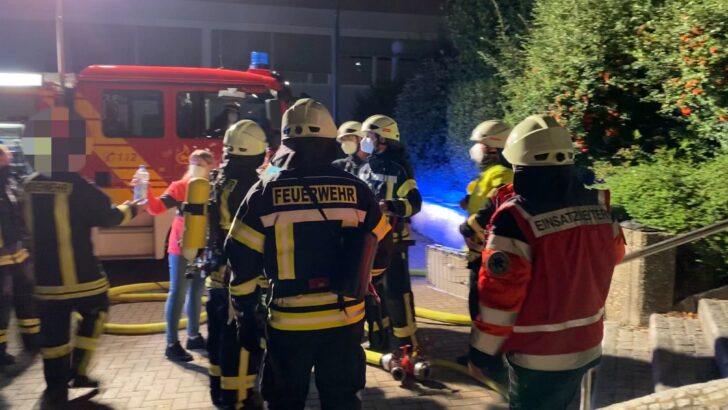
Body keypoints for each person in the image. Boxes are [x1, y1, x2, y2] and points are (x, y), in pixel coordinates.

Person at [225, 98, 393, 410]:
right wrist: (360, 281)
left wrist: (246, 315)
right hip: (346, 319)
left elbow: (240, 258)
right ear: (329, 141)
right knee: (342, 402)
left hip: (289, 323)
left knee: (285, 402)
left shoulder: (264, 191)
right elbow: (383, 248)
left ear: (286, 143)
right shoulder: (357, 189)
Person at [468, 114, 626, 409]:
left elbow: (499, 297)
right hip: (588, 344)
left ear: (519, 162)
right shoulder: (600, 207)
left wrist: (482, 351)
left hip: (539, 355)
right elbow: (616, 255)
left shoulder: (515, 218)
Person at [23, 149, 141, 405]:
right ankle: (78, 370)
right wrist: (131, 209)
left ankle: (55, 389)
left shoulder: (28, 185)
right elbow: (108, 215)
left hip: (45, 280)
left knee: (53, 337)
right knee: (96, 313)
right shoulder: (76, 185)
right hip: (82, 278)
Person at [204, 120, 267, 409]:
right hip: (241, 276)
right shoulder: (252, 186)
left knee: (218, 336)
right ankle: (239, 398)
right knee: (241, 339)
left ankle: (219, 392)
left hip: (217, 274)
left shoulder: (219, 178)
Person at [358, 114, 422, 353]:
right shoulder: (365, 167)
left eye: (369, 136)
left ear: (383, 138)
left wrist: (390, 206)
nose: (365, 140)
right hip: (370, 242)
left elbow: (414, 203)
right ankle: (379, 340)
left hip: (393, 242)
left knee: (396, 293)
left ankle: (407, 345)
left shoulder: (399, 168)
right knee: (373, 294)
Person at [146, 149, 214, 362]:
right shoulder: (180, 187)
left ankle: (193, 336)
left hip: (202, 248)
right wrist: (145, 188)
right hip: (180, 247)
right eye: (193, 162)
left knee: (196, 291)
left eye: (200, 163)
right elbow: (156, 208)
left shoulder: (213, 188)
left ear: (210, 167)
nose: (196, 166)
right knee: (178, 293)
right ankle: (172, 343)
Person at [459, 120, 513, 321]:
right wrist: (469, 201)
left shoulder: (502, 174)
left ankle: (485, 342)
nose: (475, 149)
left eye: (480, 144)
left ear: (493, 149)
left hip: (490, 254)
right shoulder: (491, 174)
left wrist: (469, 226)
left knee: (484, 309)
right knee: (477, 306)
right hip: (480, 253)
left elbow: (496, 204)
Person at [0, 145, 39, 366]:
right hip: (1, 259)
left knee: (27, 299)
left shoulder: (11, 180)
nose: (10, 156)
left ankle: (33, 340)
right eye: (6, 154)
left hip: (19, 254)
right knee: (2, 306)